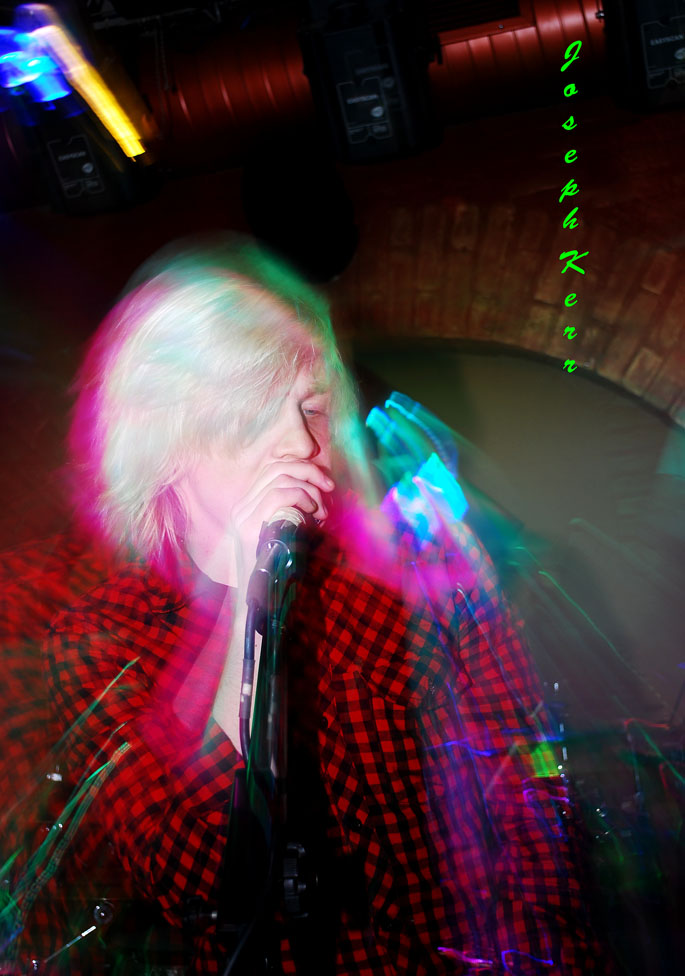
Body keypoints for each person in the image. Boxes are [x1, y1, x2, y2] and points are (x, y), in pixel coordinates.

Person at [1, 238, 605, 975]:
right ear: (167, 444)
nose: (299, 441)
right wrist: (247, 601)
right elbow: (196, 876)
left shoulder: (412, 566)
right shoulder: (101, 639)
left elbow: (531, 793)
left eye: (313, 408)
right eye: (256, 411)